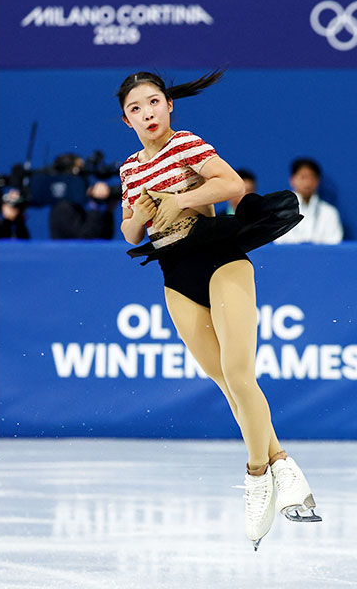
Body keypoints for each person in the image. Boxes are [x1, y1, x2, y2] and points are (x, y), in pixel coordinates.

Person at [117, 70, 321, 551]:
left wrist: (179, 199)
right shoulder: (129, 170)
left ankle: (256, 477)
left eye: (153, 103)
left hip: (218, 258)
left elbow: (230, 184)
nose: (146, 113)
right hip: (174, 273)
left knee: (239, 372)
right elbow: (129, 234)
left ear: (169, 106)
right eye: (135, 109)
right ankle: (284, 466)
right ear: (126, 120)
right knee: (223, 380)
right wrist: (144, 215)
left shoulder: (186, 144)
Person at [273, 158, 344, 244]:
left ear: (318, 181)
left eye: (311, 177)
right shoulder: (280, 210)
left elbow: (335, 242)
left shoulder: (329, 212)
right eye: (303, 177)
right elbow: (279, 241)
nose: (307, 183)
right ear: (292, 180)